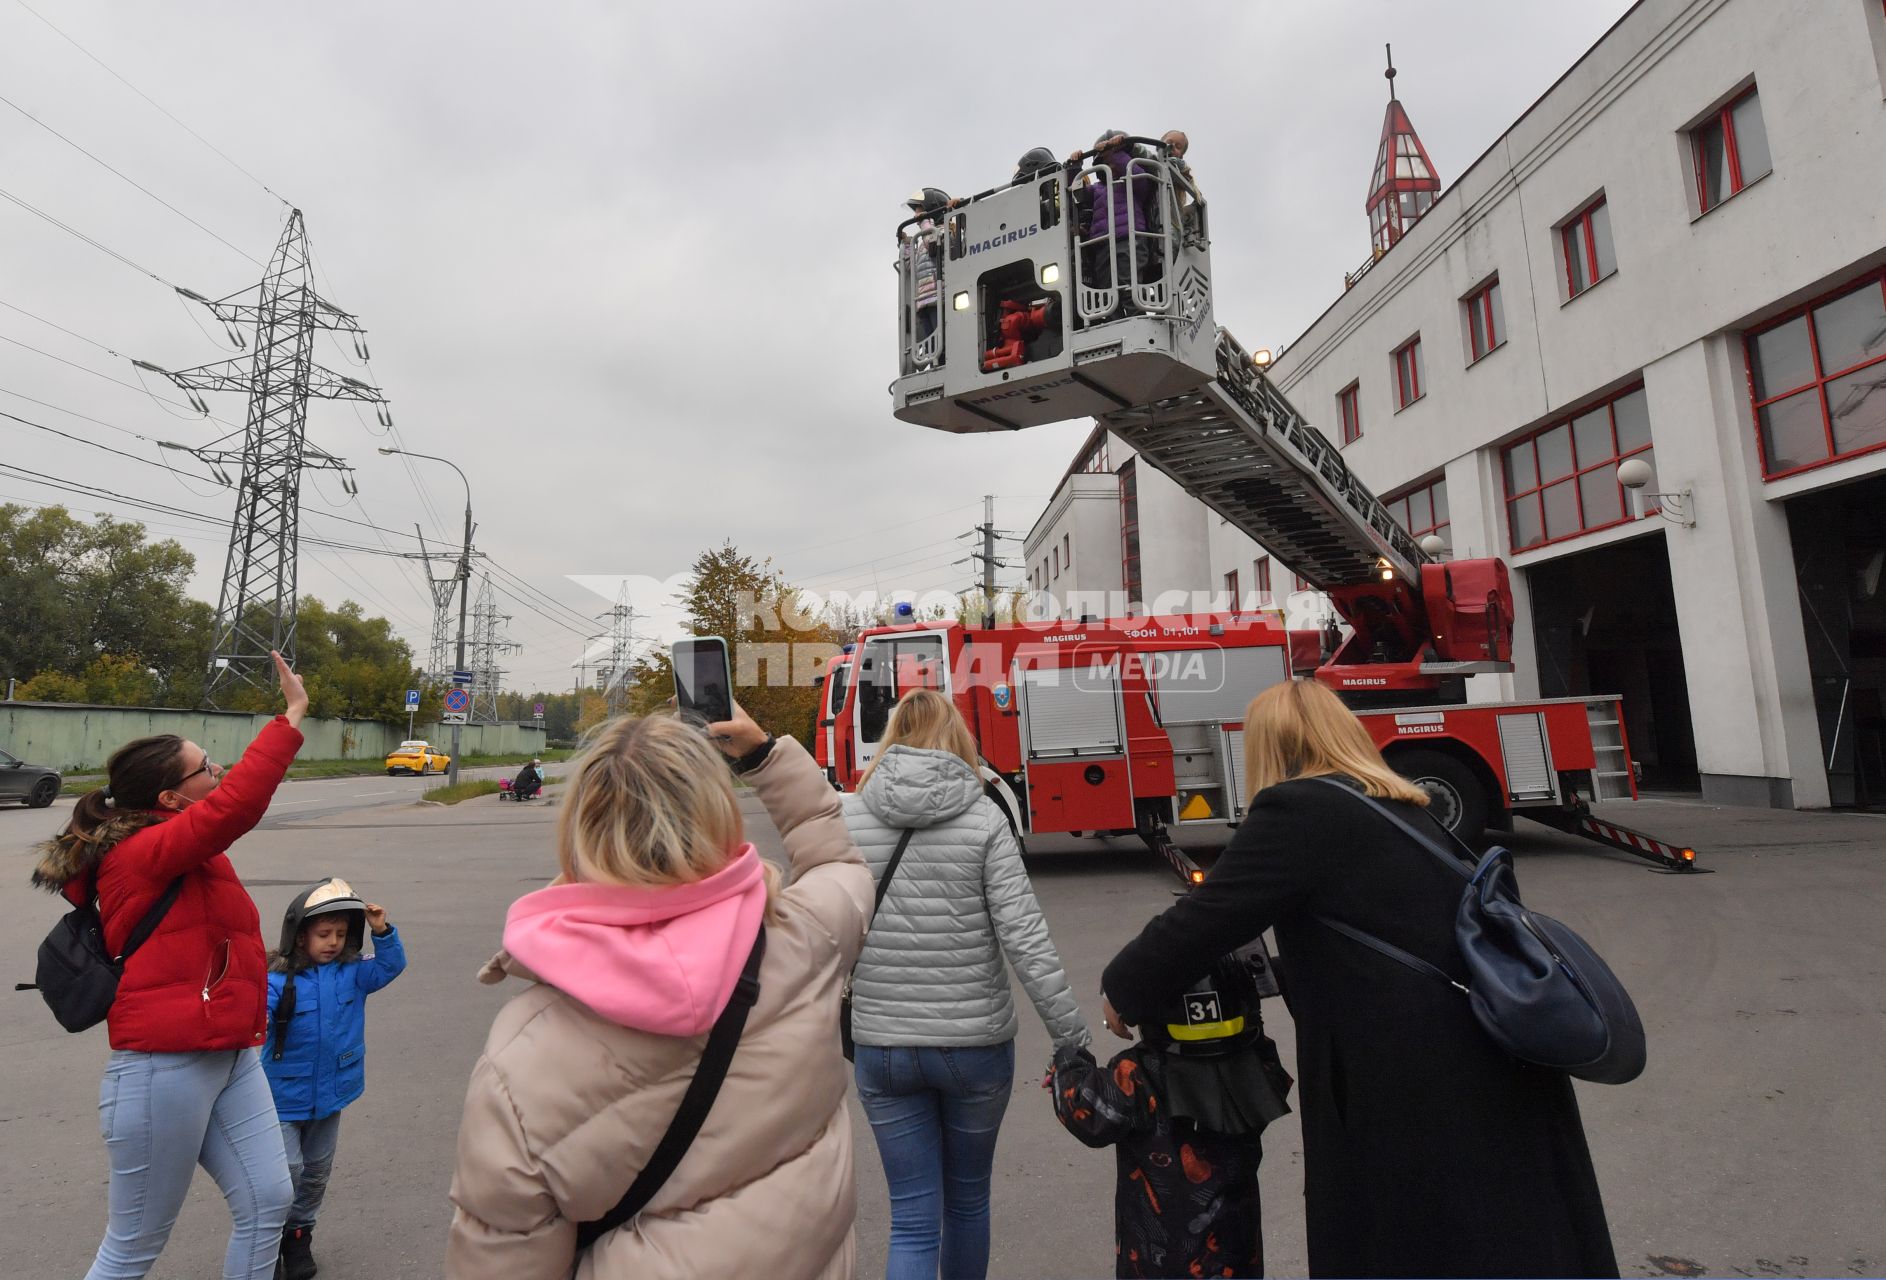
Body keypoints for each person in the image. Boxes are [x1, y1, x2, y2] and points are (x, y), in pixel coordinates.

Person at [1100, 679, 1618, 1278]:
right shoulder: (1404, 807)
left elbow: (1205, 916)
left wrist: (1123, 988)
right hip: (1485, 1055)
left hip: (1411, 1079)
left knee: (1408, 1240)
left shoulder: (1299, 809)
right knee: (1504, 1236)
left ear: (1271, 749)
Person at [446, 705, 873, 1278]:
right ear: (718, 819)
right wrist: (763, 754)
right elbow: (836, 863)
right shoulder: (806, 939)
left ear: (581, 830)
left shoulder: (520, 1064)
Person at [32, 650, 306, 1280]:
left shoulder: (185, 852)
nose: (218, 771)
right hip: (164, 1068)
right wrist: (289, 719)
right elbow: (234, 808)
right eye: (205, 767)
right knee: (132, 1248)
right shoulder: (141, 853)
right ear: (169, 798)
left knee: (269, 1202)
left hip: (230, 1053)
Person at [842, 688, 1089, 1280]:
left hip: (883, 1048)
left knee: (912, 1216)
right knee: (968, 1200)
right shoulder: (984, 819)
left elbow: (822, 929)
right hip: (975, 1049)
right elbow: (1025, 940)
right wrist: (1070, 1037)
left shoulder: (847, 818)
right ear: (957, 740)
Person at [1051, 945, 1291, 1278]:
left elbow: (1086, 1108)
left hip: (1155, 1263)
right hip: (1236, 1260)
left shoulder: (1139, 1072)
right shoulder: (1257, 1065)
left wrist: (1070, 1062)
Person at [262, 879, 407, 1280]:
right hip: (282, 1095)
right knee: (286, 1172)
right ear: (299, 935)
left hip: (331, 1093)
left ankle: (298, 1236)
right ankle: (267, 1242)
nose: (332, 942)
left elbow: (390, 966)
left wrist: (382, 931)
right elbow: (255, 1021)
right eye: (323, 934)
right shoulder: (276, 980)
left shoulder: (352, 973)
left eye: (341, 934)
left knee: (316, 1170)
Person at [1067, 132, 1161, 316]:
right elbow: (1078, 195)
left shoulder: (1133, 182)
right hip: (1102, 245)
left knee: (1129, 288)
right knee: (1108, 294)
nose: (1111, 165)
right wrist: (1075, 167)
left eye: (1114, 160)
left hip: (1129, 240)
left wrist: (1115, 151)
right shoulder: (1097, 189)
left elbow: (1136, 174)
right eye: (1106, 162)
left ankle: (1138, 324)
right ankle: (1114, 325)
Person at [900, 187, 954, 365]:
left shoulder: (944, 232)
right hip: (923, 301)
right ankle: (936, 367)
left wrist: (925, 223)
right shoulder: (921, 241)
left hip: (939, 298)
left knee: (943, 343)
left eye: (919, 211)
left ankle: (946, 364)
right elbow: (910, 267)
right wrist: (907, 245)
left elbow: (934, 247)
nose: (916, 217)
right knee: (932, 347)